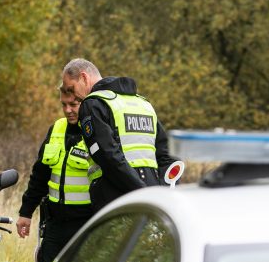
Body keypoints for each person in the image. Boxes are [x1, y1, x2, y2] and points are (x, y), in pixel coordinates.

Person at [61, 58, 180, 211]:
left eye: (71, 89)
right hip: (151, 199)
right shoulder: (143, 104)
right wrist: (159, 194)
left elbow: (108, 155)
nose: (74, 97)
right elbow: (167, 155)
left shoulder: (92, 104)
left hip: (115, 199)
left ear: (84, 78)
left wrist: (140, 191)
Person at [16, 77, 94, 262]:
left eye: (73, 105)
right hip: (54, 225)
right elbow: (40, 175)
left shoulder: (96, 132)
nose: (68, 110)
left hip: (85, 226)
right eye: (64, 105)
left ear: (85, 102)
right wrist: (26, 212)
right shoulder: (57, 128)